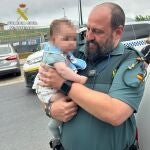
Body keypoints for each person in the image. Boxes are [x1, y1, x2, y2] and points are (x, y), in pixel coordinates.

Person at [39, 2, 146, 150]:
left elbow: (115, 113)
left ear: (118, 32)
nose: (89, 36)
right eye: (88, 28)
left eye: (97, 31)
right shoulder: (73, 54)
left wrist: (64, 84)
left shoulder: (131, 60)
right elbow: (44, 87)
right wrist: (50, 109)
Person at [32, 19, 87, 144]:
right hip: (47, 90)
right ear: (53, 40)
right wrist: (80, 79)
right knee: (67, 98)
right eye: (66, 38)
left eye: (73, 38)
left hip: (51, 89)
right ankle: (57, 136)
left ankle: (55, 130)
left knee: (69, 97)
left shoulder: (65, 53)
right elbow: (63, 71)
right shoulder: (55, 54)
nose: (71, 42)